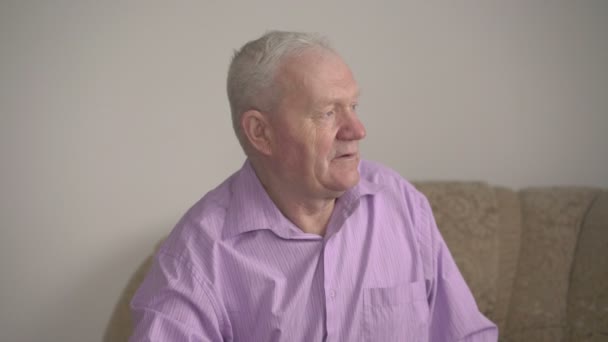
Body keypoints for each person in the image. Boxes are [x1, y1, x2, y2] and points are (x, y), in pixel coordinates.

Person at [130, 30, 498, 341]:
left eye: (353, 106)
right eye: (327, 113)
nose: (357, 130)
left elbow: (466, 335)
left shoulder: (399, 202)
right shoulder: (198, 255)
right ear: (261, 132)